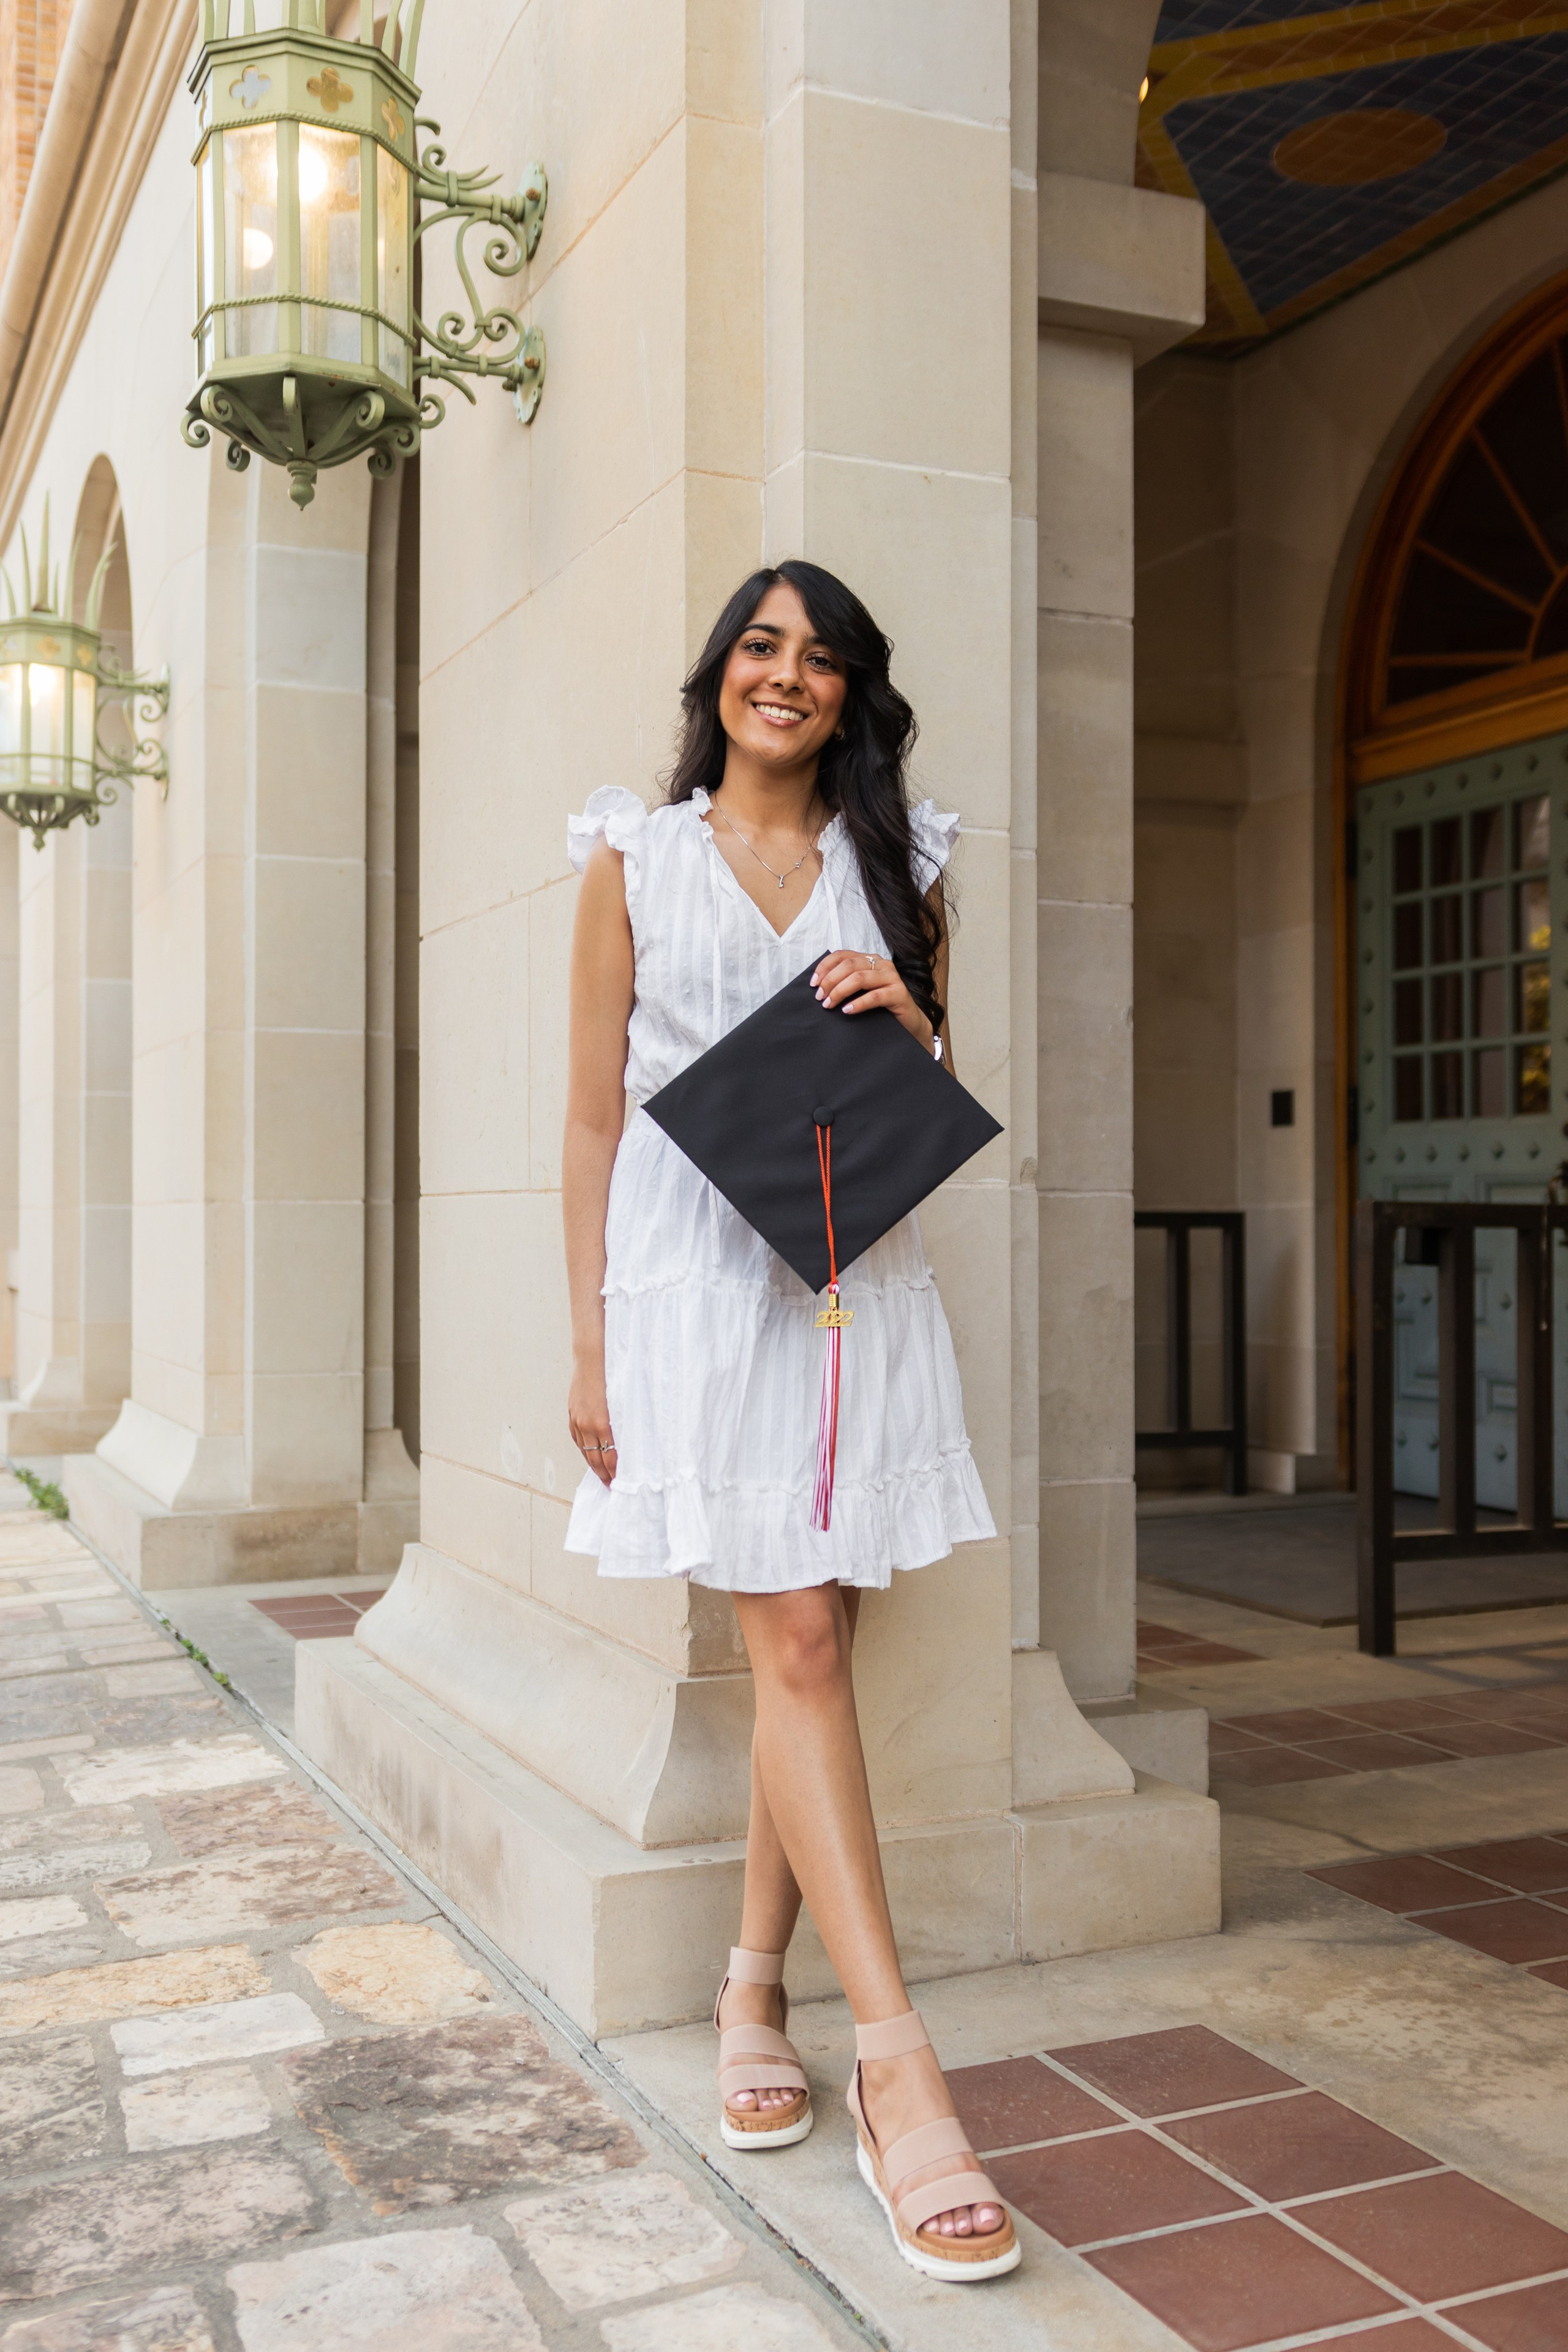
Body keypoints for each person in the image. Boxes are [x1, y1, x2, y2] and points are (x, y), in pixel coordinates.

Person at [562, 561, 1019, 2283]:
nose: (787, 675)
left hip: (848, 1292)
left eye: (820, 658)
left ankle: (752, 1991)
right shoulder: (634, 858)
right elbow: (590, 1122)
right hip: (691, 1296)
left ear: (850, 694)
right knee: (803, 1647)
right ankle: (900, 2073)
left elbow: (929, 1089)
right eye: (761, 646)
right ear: (719, 677)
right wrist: (590, 1345)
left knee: (809, 1643)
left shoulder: (903, 864)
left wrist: (915, 1015)